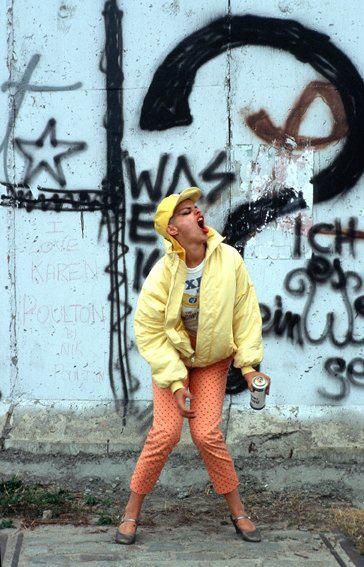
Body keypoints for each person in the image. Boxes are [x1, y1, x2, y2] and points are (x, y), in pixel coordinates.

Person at [115, 187, 271, 545]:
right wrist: (174, 381)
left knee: (206, 434)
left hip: (213, 362)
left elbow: (245, 314)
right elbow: (149, 332)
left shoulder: (229, 259)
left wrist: (248, 368)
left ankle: (238, 511)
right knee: (165, 434)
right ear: (172, 230)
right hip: (174, 364)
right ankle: (131, 512)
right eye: (185, 212)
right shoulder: (163, 274)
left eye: (195, 208)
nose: (197, 213)